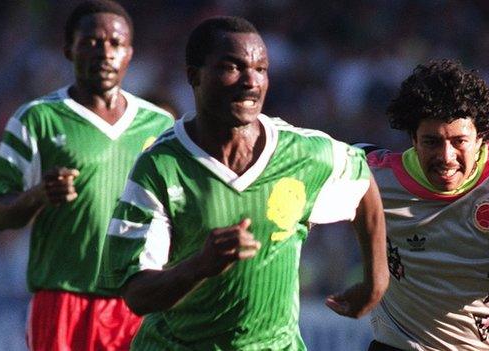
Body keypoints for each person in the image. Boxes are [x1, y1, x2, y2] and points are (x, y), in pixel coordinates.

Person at [101, 16, 388, 350]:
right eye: (232, 67)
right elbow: (137, 295)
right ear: (194, 75)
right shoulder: (160, 167)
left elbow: (361, 180)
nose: (251, 81)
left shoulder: (305, 153)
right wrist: (200, 266)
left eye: (261, 69)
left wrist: (376, 280)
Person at [0, 1, 174, 350]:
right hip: (63, 300)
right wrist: (39, 194)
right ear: (68, 49)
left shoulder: (161, 126)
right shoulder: (37, 119)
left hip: (137, 301)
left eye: (116, 43)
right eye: (91, 41)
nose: (105, 53)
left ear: (130, 53)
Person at [354, 59, 489, 350]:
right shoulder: (369, 174)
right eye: (431, 142)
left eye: (459, 141)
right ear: (413, 139)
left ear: (481, 136)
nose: (446, 156)